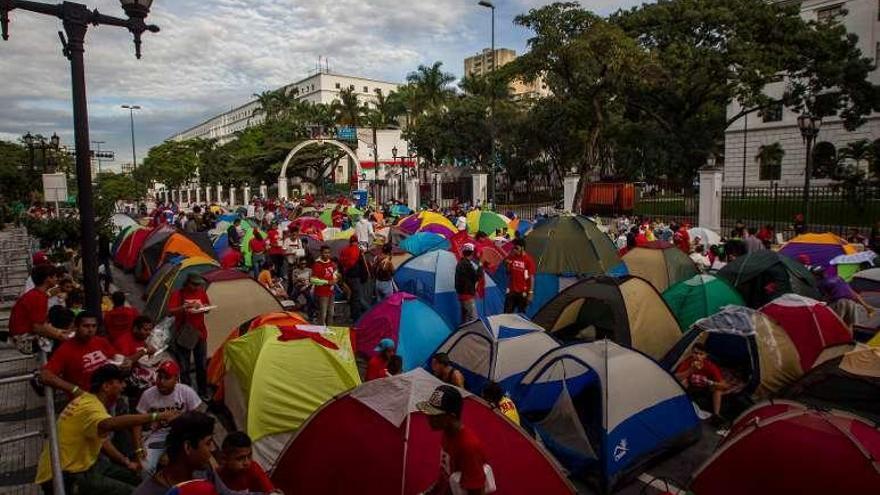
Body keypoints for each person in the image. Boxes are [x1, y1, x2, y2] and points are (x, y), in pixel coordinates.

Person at [36, 365, 179, 495]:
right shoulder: (92, 409)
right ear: (106, 386)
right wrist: (156, 416)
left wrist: (126, 462)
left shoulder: (86, 398)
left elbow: (103, 441)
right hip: (63, 476)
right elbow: (109, 424)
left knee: (138, 478)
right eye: (120, 382)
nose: (124, 386)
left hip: (85, 466)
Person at [133, 412, 249, 495]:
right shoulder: (146, 492)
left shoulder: (203, 471)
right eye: (208, 443)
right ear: (188, 447)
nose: (212, 449)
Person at [134, 361, 204, 476]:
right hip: (157, 436)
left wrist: (179, 419)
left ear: (176, 378)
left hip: (183, 436)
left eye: (166, 378)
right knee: (143, 469)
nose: (161, 382)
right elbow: (136, 422)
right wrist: (139, 449)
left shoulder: (186, 392)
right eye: (159, 377)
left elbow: (199, 419)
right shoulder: (148, 394)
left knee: (195, 471)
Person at [418, 385, 491, 495]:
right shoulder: (447, 434)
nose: (428, 418)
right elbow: (445, 475)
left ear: (451, 416)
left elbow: (476, 490)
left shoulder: (468, 446)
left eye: (435, 415)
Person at [41, 311, 121, 398]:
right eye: (86, 326)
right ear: (76, 327)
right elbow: (45, 375)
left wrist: (126, 362)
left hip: (109, 400)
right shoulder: (65, 350)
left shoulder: (102, 342)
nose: (90, 330)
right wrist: (74, 389)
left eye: (94, 326)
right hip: (85, 403)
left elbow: (116, 358)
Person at [167, 274, 211, 397]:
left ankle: (202, 392)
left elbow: (207, 307)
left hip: (200, 334)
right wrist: (184, 307)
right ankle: (188, 393)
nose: (196, 287)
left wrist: (205, 308)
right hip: (184, 334)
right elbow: (170, 312)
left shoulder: (201, 292)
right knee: (184, 366)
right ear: (187, 283)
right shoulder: (178, 294)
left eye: (198, 285)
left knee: (201, 365)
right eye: (194, 284)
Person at [9, 264, 68, 353]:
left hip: (22, 335)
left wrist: (59, 332)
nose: (57, 279)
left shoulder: (36, 294)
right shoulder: (38, 297)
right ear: (48, 278)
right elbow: (38, 327)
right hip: (25, 340)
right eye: (55, 276)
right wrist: (60, 335)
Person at [674, 342, 727, 425]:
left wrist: (710, 382)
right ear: (692, 353)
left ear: (705, 356)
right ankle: (680, 406)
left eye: (701, 354)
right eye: (695, 353)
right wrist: (690, 370)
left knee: (718, 390)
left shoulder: (710, 366)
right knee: (683, 381)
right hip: (691, 387)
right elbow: (675, 377)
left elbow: (724, 385)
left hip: (705, 388)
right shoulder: (688, 362)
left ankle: (716, 415)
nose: (698, 356)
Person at [339, 235, 370, 321]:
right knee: (357, 298)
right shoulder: (358, 250)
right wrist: (366, 276)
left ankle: (353, 316)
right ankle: (358, 317)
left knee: (352, 297)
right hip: (355, 278)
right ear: (357, 241)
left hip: (346, 277)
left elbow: (341, 262)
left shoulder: (344, 250)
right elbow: (363, 265)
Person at [503, 238, 535, 314]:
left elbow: (531, 278)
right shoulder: (511, 257)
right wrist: (507, 265)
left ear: (522, 248)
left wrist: (530, 293)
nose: (514, 250)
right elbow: (508, 273)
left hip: (523, 292)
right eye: (513, 248)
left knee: (521, 315)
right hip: (511, 291)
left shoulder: (528, 260)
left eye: (516, 248)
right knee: (506, 314)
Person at [455, 243, 483, 323]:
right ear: (471, 253)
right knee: (473, 318)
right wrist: (480, 266)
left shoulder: (460, 263)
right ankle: (472, 335)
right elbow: (477, 277)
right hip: (467, 295)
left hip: (462, 294)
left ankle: (464, 333)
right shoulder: (467, 264)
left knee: (465, 318)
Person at [311, 245, 339, 326]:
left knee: (331, 313)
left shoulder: (330, 262)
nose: (327, 254)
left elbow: (333, 272)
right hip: (321, 293)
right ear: (321, 253)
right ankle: (321, 330)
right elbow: (313, 280)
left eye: (328, 253)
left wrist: (335, 277)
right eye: (325, 253)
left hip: (331, 292)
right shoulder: (317, 264)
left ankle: (330, 328)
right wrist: (327, 282)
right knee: (323, 314)